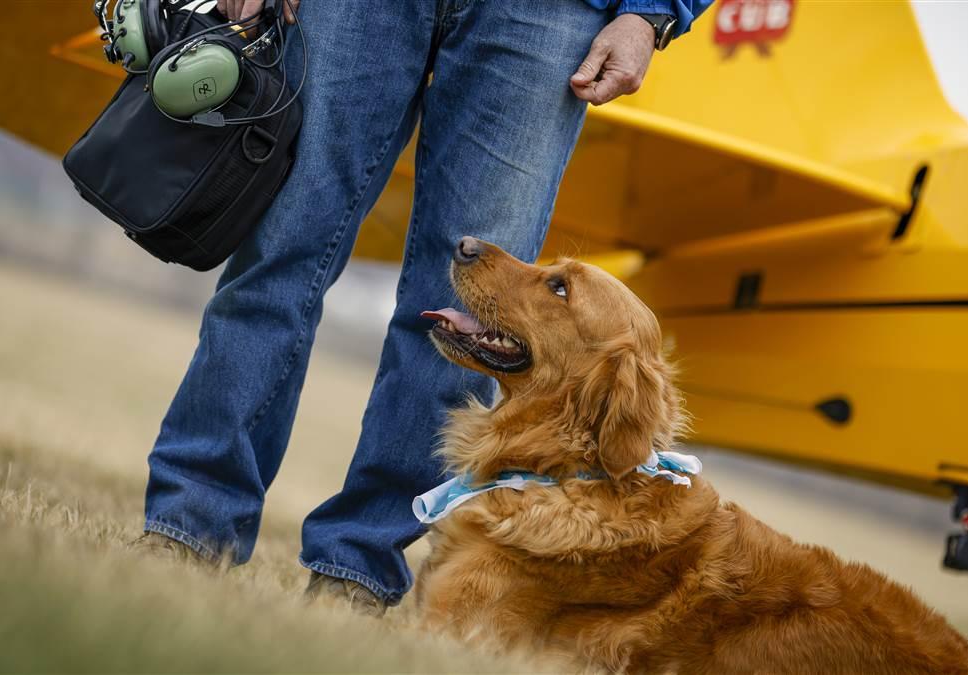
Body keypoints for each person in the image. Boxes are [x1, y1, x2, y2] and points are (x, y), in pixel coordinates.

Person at [133, 0, 713, 615]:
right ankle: (188, 528)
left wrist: (651, 13)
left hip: (551, 14)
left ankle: (355, 572)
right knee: (279, 252)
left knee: (475, 325)